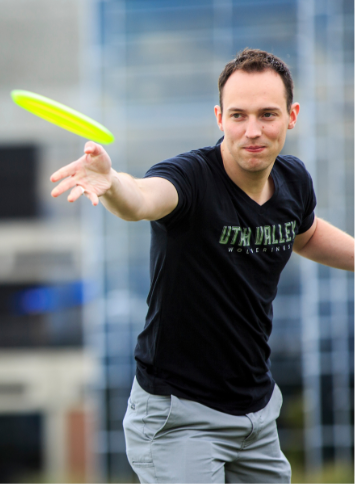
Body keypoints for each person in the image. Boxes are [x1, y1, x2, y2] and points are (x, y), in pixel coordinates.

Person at [50, 48, 355, 483]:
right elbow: (141, 198)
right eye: (238, 116)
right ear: (219, 117)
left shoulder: (294, 181)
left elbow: (306, 234)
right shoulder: (191, 178)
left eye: (267, 115)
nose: (252, 131)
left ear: (292, 115)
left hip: (257, 416)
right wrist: (113, 183)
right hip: (180, 418)